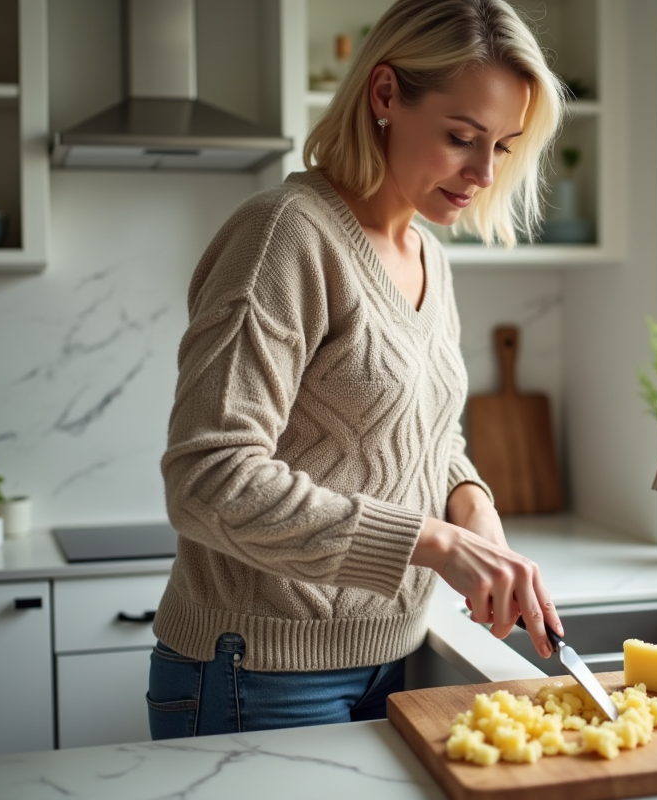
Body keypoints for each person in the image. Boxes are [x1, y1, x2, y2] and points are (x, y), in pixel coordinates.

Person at [147, 0, 568, 738]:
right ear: (384, 96)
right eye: (462, 137)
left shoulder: (428, 254)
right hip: (256, 670)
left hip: (393, 657)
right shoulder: (285, 235)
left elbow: (419, 439)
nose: (481, 172)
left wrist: (474, 508)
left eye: (502, 147)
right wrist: (431, 542)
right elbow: (207, 478)